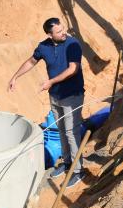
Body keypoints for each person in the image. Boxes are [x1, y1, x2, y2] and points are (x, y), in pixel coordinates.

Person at [9, 18, 86, 188]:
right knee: (61, 130)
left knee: (71, 132)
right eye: (59, 31)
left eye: (63, 28)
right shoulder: (44, 47)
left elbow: (73, 69)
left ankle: (78, 170)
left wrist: (51, 82)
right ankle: (67, 163)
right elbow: (31, 61)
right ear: (49, 35)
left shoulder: (73, 44)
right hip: (55, 96)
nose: (63, 32)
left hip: (73, 95)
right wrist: (15, 77)